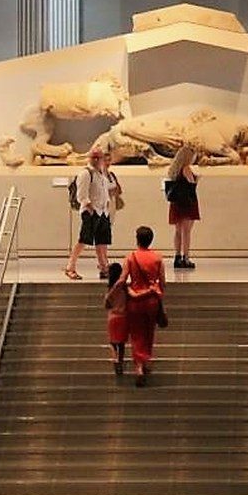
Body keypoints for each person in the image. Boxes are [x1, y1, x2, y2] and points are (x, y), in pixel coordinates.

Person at [119, 226, 165, 387]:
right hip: (152, 300)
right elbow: (162, 282)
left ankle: (138, 366)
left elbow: (122, 279)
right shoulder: (158, 258)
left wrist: (123, 291)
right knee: (148, 332)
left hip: (135, 301)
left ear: (137, 239)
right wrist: (158, 295)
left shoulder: (131, 257)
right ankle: (145, 361)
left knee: (136, 334)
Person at [64, 148, 114, 281]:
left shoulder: (101, 173)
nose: (96, 160)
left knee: (102, 241)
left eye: (99, 158)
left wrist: (106, 206)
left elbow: (106, 190)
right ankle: (70, 267)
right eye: (94, 157)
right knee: (83, 240)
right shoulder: (85, 173)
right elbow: (82, 195)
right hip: (91, 211)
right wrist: (90, 207)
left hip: (103, 212)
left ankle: (104, 267)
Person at [165, 143, 200, 269]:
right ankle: (186, 257)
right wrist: (197, 179)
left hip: (177, 202)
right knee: (187, 232)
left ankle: (177, 256)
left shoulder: (174, 170)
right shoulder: (186, 169)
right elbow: (191, 184)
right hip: (187, 203)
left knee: (178, 231)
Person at [103, 261, 128, 376]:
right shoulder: (125, 288)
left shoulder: (110, 289)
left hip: (113, 317)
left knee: (113, 342)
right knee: (121, 343)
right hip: (123, 317)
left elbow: (106, 304)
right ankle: (121, 360)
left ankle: (115, 360)